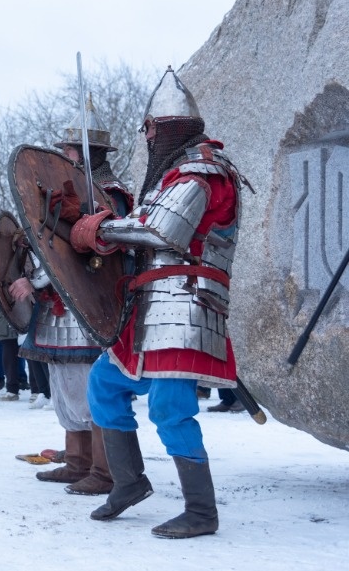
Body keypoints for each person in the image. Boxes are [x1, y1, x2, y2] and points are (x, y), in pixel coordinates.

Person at [71, 67, 244, 538]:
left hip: (186, 306)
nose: (145, 135)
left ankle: (201, 511)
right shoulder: (170, 175)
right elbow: (145, 224)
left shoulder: (203, 171)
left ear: (165, 126)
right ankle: (129, 482)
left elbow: (161, 231)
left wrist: (99, 230)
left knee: (170, 405)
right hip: (150, 306)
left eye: (148, 127)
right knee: (105, 385)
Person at [8, 104, 132, 496]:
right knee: (64, 385)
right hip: (57, 305)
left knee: (92, 386)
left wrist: (37, 280)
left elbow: (85, 252)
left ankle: (103, 468)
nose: (65, 156)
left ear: (89, 153)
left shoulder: (110, 196)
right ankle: (77, 462)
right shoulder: (64, 191)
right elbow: (48, 243)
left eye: (72, 151)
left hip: (90, 301)